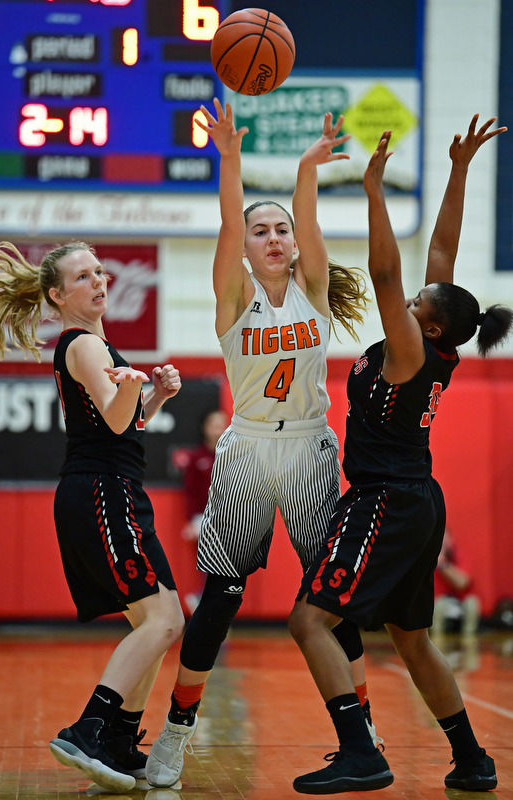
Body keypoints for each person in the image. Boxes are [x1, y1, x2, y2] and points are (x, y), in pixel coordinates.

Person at [146, 100, 374, 789]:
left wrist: (307, 171)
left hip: (308, 449)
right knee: (221, 594)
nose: (273, 237)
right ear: (245, 247)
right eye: (260, 230)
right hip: (245, 452)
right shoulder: (229, 297)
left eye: (282, 229)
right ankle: (174, 737)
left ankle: (361, 733)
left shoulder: (313, 291)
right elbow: (225, 218)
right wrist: (230, 160)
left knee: (332, 599)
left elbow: (308, 222)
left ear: (297, 243)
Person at [288, 114, 512, 795]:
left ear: (430, 322)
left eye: (416, 300)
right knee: (411, 639)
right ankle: (471, 761)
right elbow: (439, 251)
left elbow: (387, 271)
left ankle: (360, 751)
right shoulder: (433, 337)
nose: (407, 294)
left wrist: (374, 191)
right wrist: (460, 169)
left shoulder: (411, 352)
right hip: (413, 499)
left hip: (385, 499)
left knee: (307, 619)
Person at [0, 241, 185, 794]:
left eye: (100, 271)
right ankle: (89, 728)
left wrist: (152, 397)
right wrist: (135, 387)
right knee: (162, 621)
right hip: (101, 492)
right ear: (57, 295)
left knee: (159, 621)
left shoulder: (94, 345)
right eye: (83, 276)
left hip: (112, 489)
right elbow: (116, 424)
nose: (98, 281)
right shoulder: (85, 343)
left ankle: (119, 738)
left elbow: (119, 418)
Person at [180, 408, 229, 614]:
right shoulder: (197, 457)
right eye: (214, 425)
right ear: (205, 428)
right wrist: (192, 521)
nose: (218, 430)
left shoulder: (232, 456)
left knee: (225, 566)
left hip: (229, 519)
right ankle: (204, 600)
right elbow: (190, 492)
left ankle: (203, 600)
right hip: (204, 519)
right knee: (212, 562)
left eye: (222, 425)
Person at [433, 529, 481, 636]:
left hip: (459, 601)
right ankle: (436, 642)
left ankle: (469, 641)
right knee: (438, 606)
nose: (443, 542)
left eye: (446, 539)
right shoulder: (426, 559)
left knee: (472, 603)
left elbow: (462, 583)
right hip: (438, 603)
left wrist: (442, 564)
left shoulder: (459, 556)